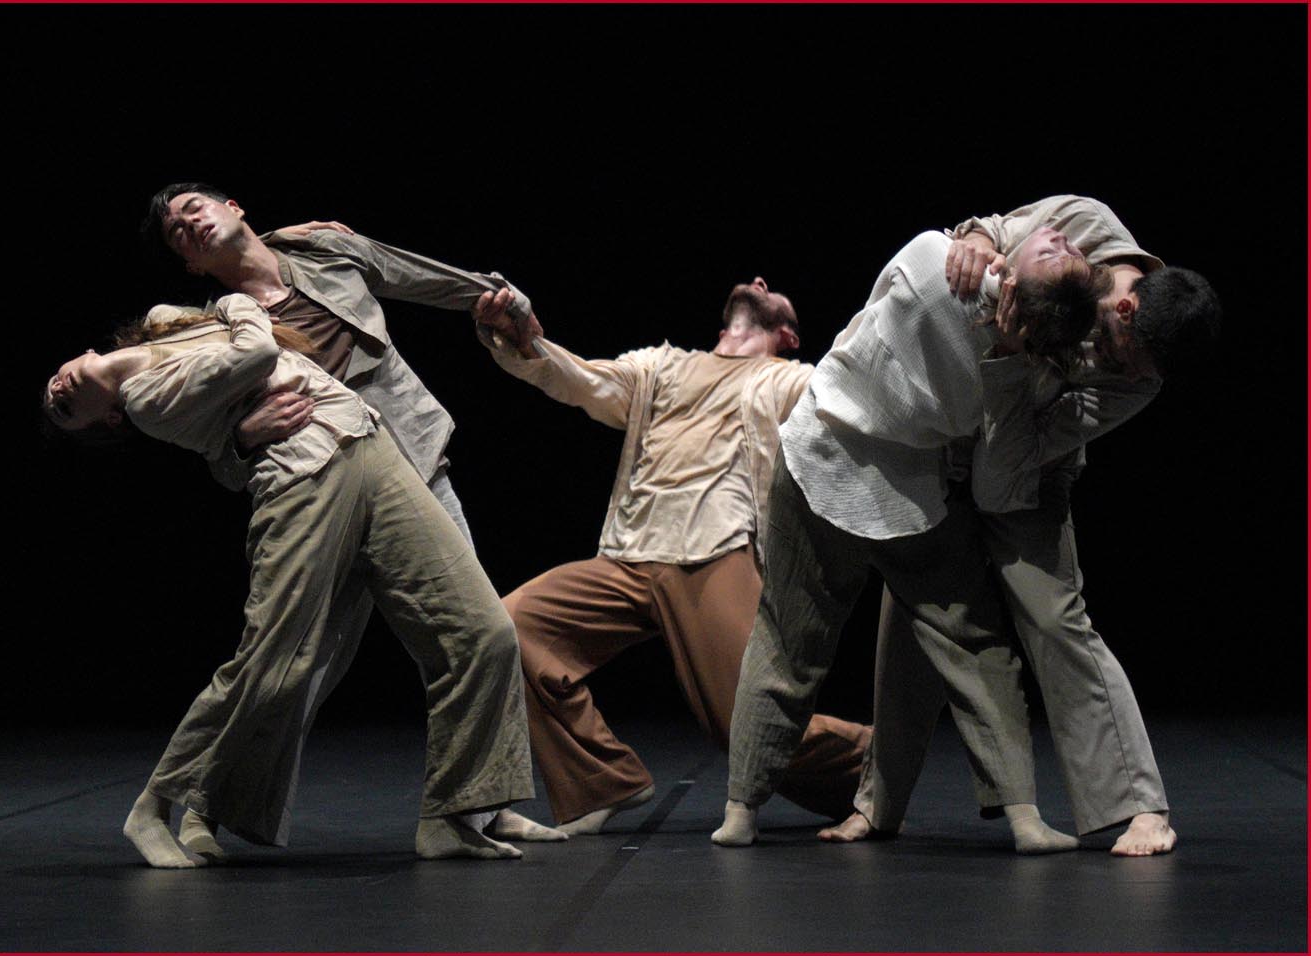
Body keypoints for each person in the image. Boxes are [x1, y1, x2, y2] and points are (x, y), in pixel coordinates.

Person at [43, 294, 540, 865]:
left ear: (81, 353)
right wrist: (239, 305)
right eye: (63, 410)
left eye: (54, 387)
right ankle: (155, 806)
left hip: (370, 443)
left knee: (484, 632)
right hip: (302, 478)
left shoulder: (162, 323)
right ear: (108, 419)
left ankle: (451, 817)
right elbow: (255, 351)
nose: (57, 393)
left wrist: (233, 322)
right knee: (273, 659)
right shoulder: (146, 398)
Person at [142, 185, 559, 856]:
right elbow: (209, 446)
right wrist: (243, 436)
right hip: (322, 488)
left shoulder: (325, 252)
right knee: (297, 666)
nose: (189, 224)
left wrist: (502, 299)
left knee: (477, 632)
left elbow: (420, 275)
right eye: (176, 234)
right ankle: (202, 809)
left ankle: (480, 805)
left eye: (195, 208)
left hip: (411, 465)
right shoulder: (213, 328)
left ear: (234, 207)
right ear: (189, 265)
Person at [827, 196, 1220, 856]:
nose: (1128, 372)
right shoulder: (1087, 222)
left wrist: (1011, 359)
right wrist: (978, 241)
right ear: (1126, 308)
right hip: (945, 442)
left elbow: (1007, 473)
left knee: (1056, 619)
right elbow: (994, 232)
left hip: (1026, 472)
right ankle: (877, 805)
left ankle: (1141, 809)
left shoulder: (1138, 382)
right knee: (915, 618)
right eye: (1130, 358)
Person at [717, 225, 1108, 853]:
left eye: (1058, 253)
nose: (1063, 238)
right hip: (903, 496)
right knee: (972, 640)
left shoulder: (933, 263)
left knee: (788, 638)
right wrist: (1012, 355)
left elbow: (884, 304)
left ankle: (741, 808)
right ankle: (1023, 814)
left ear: (1013, 283)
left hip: (825, 457)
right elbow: (992, 472)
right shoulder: (1031, 375)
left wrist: (975, 244)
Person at [468, 279, 873, 836]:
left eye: (772, 288)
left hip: (716, 551)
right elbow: (584, 380)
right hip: (629, 554)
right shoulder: (660, 366)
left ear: (788, 335)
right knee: (507, 630)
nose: (758, 282)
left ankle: (881, 760)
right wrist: (526, 342)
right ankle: (603, 782)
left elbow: (851, 388)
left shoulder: (786, 379)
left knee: (746, 726)